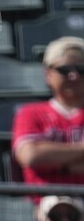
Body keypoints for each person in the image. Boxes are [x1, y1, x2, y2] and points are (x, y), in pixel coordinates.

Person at [12, 36, 84, 200]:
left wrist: (55, 161)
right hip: (45, 209)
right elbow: (31, 156)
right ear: (48, 74)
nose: (74, 76)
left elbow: (39, 157)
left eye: (81, 70)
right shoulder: (30, 113)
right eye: (65, 70)